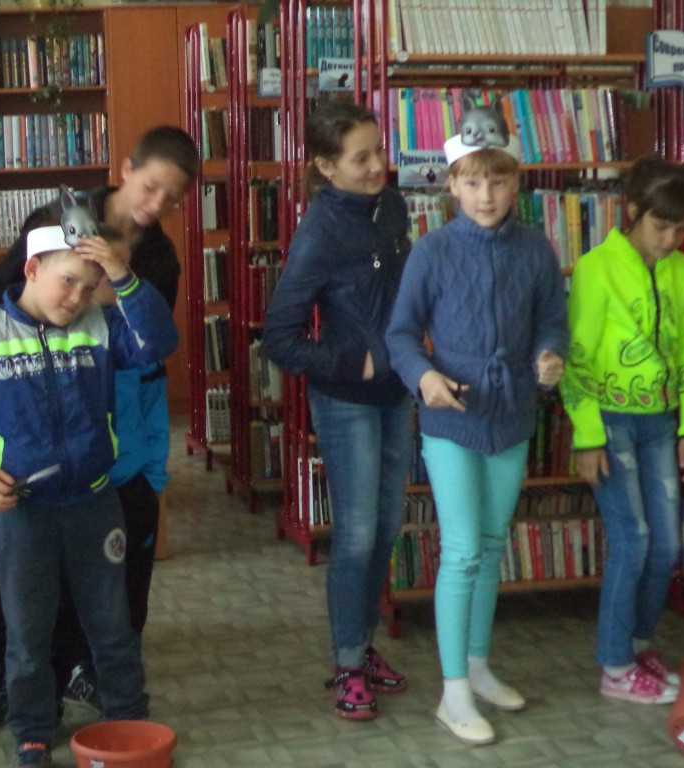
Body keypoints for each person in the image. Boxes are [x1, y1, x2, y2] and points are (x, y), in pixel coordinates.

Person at [0, 126, 197, 731]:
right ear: (127, 169)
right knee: (21, 598)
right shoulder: (56, 224)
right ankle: (9, 688)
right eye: (151, 186)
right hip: (24, 466)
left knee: (112, 593)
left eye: (173, 198)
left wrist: (123, 279)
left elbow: (153, 341)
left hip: (105, 445)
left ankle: (102, 686)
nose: (157, 204)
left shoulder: (149, 266)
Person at [385, 114, 568, 745]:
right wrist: (424, 377)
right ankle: (453, 691)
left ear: (516, 183)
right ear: (452, 186)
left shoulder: (536, 250)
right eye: (471, 182)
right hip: (451, 419)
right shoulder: (432, 251)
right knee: (463, 549)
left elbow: (552, 320)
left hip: (512, 414)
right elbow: (401, 334)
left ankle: (479, 666)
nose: (485, 195)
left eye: (497, 181)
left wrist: (549, 355)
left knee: (492, 545)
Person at [261, 100, 413, 721]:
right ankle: (347, 663)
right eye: (361, 158)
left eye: (380, 151)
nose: (378, 165)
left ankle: (364, 642)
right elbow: (279, 338)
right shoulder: (319, 232)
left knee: (388, 523)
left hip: (398, 392)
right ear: (326, 166)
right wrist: (356, 361)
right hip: (348, 399)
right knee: (356, 532)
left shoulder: (393, 206)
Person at [559, 155, 684, 706]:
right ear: (632, 212)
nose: (669, 240)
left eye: (680, 229)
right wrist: (587, 435)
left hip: (661, 423)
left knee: (667, 542)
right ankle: (615, 665)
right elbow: (576, 358)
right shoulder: (596, 268)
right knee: (633, 539)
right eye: (659, 226)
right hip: (609, 423)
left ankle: (637, 646)